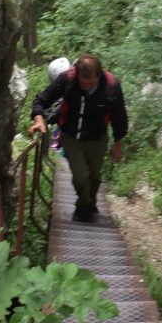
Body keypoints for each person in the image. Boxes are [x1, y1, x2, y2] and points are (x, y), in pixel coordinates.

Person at [29, 53, 128, 221]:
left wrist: (117, 144)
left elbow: (119, 117)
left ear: (99, 75)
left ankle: (90, 202)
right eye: (83, 84)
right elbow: (41, 100)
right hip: (71, 135)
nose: (87, 88)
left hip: (98, 136)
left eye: (91, 84)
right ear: (77, 74)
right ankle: (83, 207)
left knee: (95, 175)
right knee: (81, 175)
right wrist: (39, 120)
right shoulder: (67, 80)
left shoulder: (111, 86)